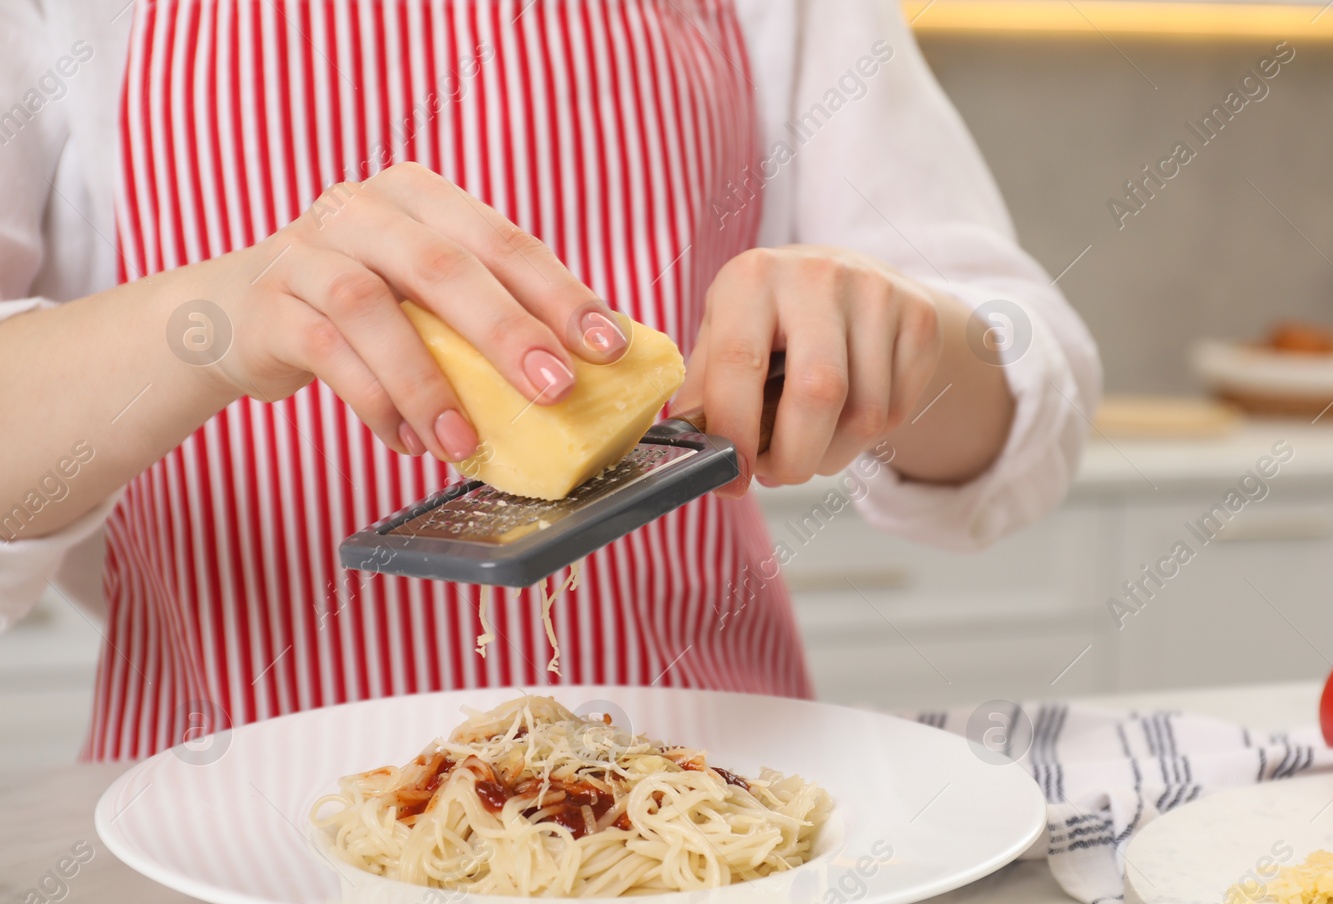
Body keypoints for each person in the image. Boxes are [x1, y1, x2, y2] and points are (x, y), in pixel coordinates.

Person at [0, 0, 1099, 761]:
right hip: (217, 837)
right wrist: (211, 325)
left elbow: (1023, 397)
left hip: (704, 809)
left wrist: (913, 345)